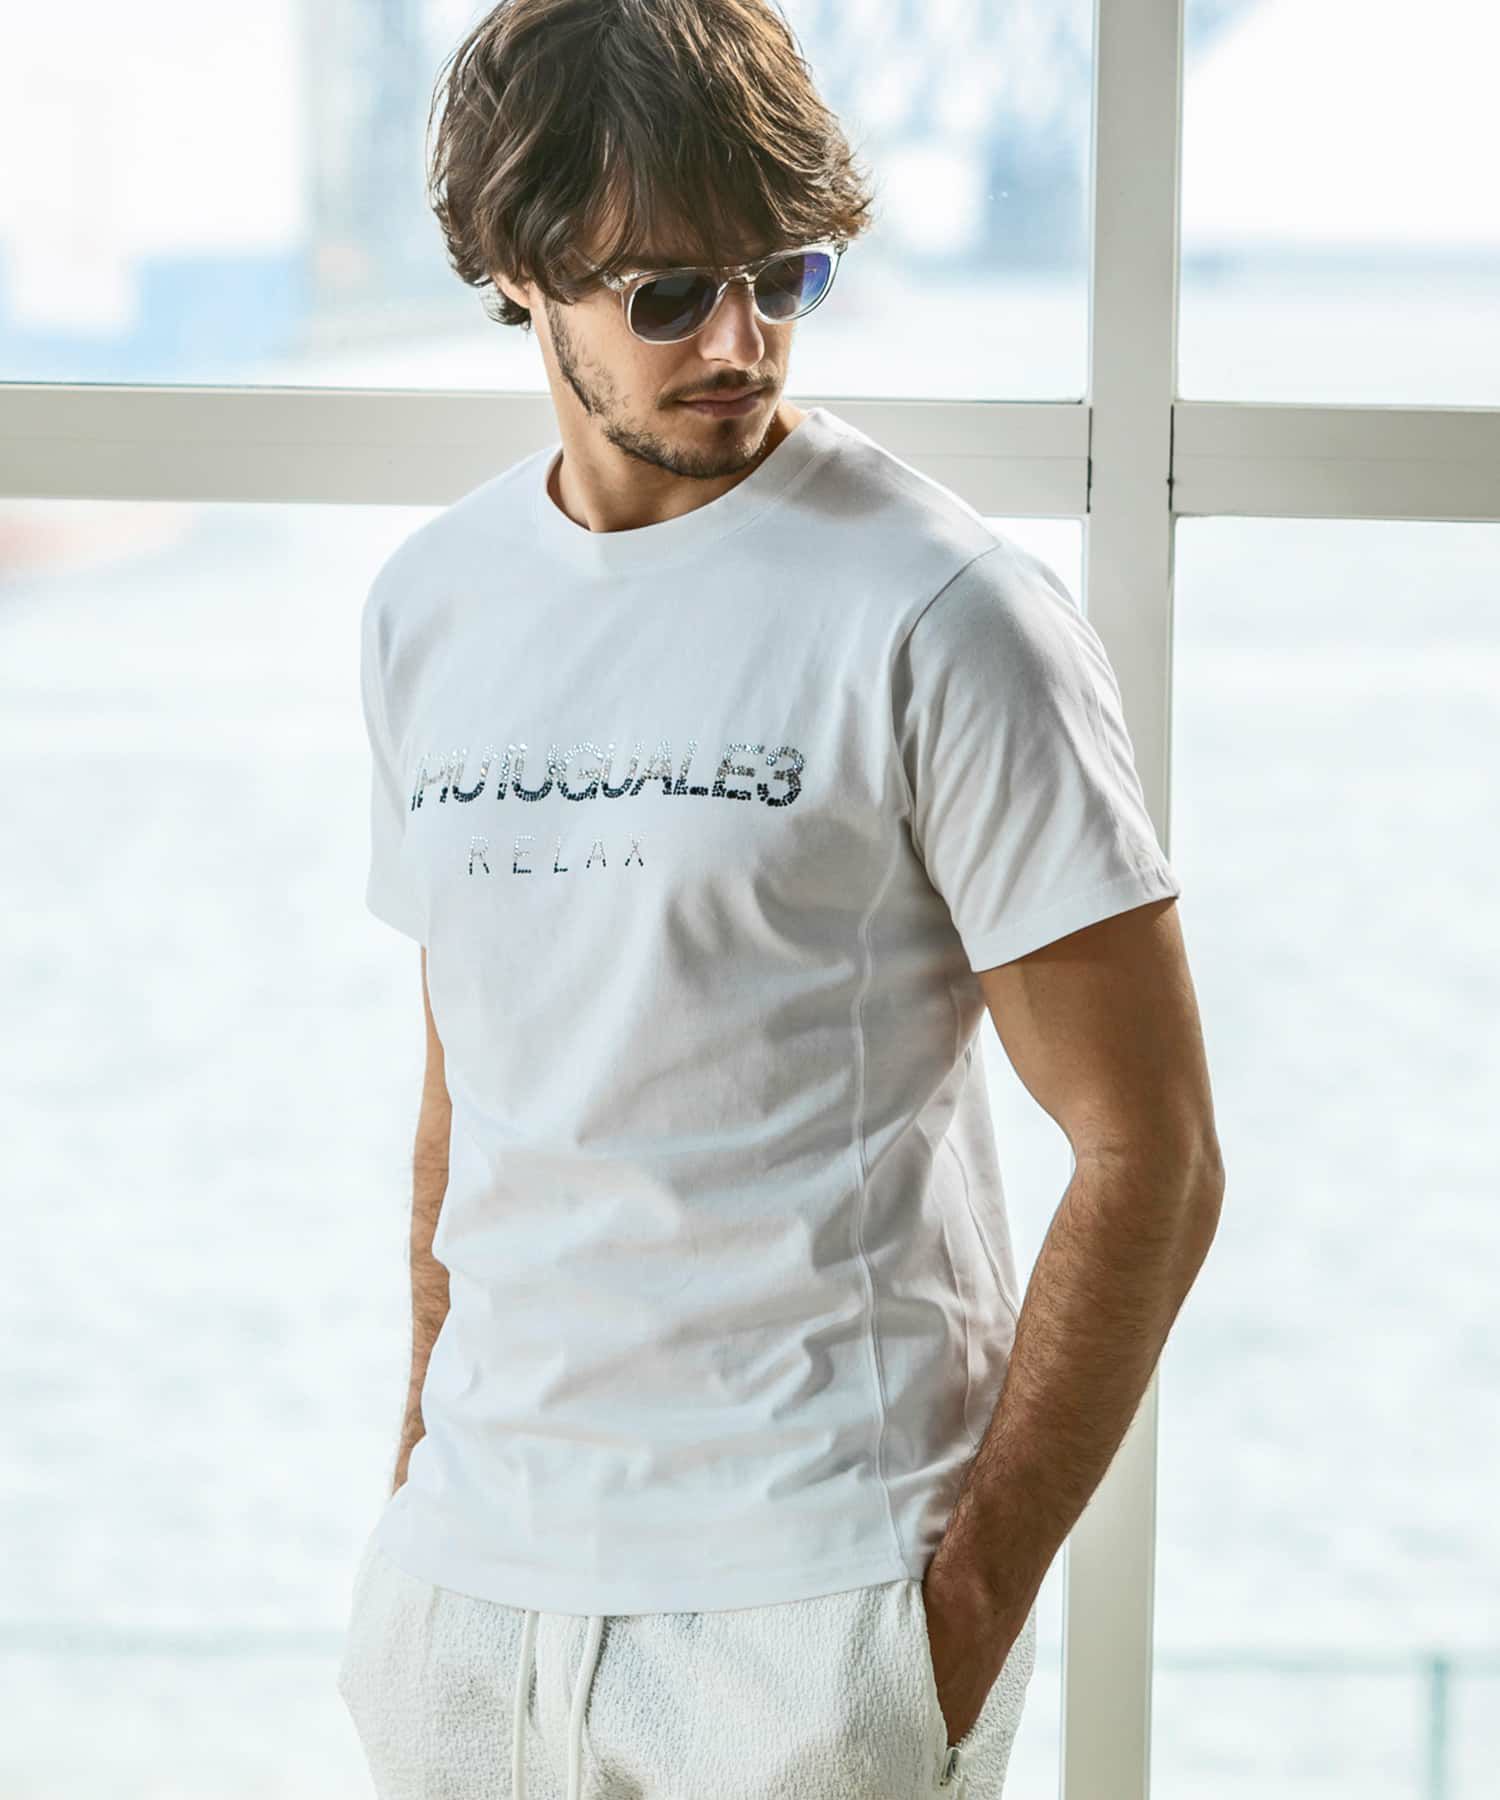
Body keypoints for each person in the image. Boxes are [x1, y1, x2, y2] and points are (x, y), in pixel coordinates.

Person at [336, 2, 1225, 1796]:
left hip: (816, 1605)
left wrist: (956, 1614)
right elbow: (471, 1093)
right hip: (472, 1601)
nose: (739, 341)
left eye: (785, 279)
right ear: (520, 272)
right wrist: (422, 1478)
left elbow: (1155, 1154)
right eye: (668, 293)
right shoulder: (431, 605)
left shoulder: (947, 615)